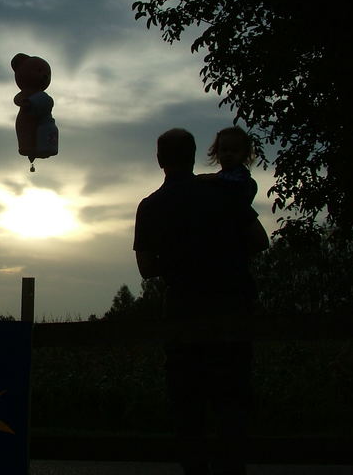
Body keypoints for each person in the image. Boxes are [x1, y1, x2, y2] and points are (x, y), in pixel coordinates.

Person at [133, 128, 269, 475]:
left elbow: (147, 268)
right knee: (232, 404)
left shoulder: (150, 207)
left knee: (187, 409)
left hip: (182, 317)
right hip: (231, 311)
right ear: (195, 157)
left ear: (160, 160)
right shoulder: (224, 194)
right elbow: (259, 241)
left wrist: (181, 260)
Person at [200, 126, 258, 205]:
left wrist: (214, 177)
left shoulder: (242, 175)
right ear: (217, 152)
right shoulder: (222, 175)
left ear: (244, 154)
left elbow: (236, 181)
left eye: (234, 151)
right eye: (224, 150)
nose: (228, 154)